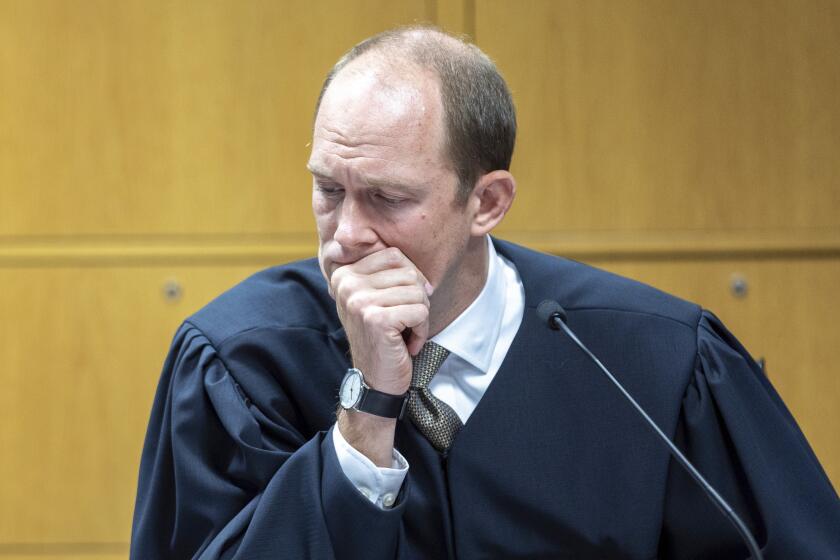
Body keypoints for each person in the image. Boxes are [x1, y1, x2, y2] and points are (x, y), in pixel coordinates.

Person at [130, 26, 840, 559]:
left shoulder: (657, 362)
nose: (345, 235)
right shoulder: (236, 362)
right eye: (328, 189)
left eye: (386, 197)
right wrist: (368, 415)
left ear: (487, 202)